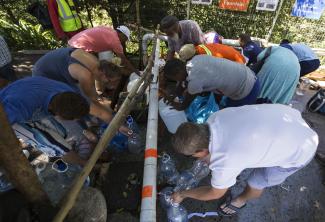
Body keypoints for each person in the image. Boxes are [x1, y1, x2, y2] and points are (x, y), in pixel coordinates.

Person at [171, 104, 318, 216]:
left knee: (256, 181)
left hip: (300, 149)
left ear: (201, 151)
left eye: (193, 156)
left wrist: (182, 194)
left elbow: (215, 193)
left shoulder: (225, 159)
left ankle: (240, 200)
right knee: (250, 158)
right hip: (289, 117)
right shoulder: (215, 117)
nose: (197, 160)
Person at [0, 76, 90, 165]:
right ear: (58, 115)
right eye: (73, 119)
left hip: (28, 95)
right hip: (7, 113)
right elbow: (3, 125)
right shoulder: (17, 108)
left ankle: (68, 150)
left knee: (61, 132)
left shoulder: (68, 93)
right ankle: (83, 163)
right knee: (52, 143)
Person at [32, 48, 128, 130]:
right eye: (108, 82)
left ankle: (90, 121)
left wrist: (103, 106)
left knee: (81, 97)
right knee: (75, 102)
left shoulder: (97, 63)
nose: (108, 84)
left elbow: (94, 93)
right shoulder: (85, 75)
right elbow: (89, 99)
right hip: (44, 74)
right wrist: (107, 114)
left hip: (55, 66)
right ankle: (85, 128)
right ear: (104, 75)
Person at [163, 55, 259, 109]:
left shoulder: (194, 82)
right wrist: (176, 93)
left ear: (177, 73)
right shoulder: (195, 60)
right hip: (250, 74)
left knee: (229, 118)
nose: (176, 81)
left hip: (247, 90)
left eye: (175, 78)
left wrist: (173, 103)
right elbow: (184, 83)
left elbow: (183, 106)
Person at [68, 25, 137, 74]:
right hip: (77, 48)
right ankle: (99, 90)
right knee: (96, 69)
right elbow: (124, 60)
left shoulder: (110, 30)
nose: (125, 41)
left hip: (73, 42)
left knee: (98, 66)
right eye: (125, 38)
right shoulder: (115, 41)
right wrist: (135, 71)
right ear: (121, 34)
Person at [179, 43, 246, 64]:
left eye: (188, 60)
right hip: (237, 57)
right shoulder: (199, 47)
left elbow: (220, 66)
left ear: (192, 56)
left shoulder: (207, 56)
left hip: (239, 62)